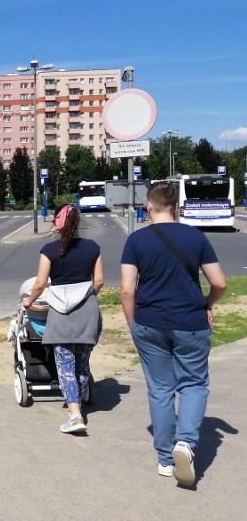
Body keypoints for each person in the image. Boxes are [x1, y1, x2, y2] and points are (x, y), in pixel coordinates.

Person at [120, 182, 227, 486]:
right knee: (193, 383)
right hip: (190, 322)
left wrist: (133, 325)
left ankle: (165, 459)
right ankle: (185, 443)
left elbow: (127, 289)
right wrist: (207, 303)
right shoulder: (196, 237)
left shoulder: (136, 240)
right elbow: (219, 282)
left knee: (160, 388)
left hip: (150, 322)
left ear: (148, 206)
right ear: (178, 208)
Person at [22, 204, 104, 434]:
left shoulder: (49, 250)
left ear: (57, 224)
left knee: (65, 363)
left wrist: (29, 301)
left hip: (61, 314)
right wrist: (85, 296)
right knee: (82, 362)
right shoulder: (92, 248)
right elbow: (98, 282)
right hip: (88, 312)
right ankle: (80, 396)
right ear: (77, 223)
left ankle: (75, 414)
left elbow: (39, 284)